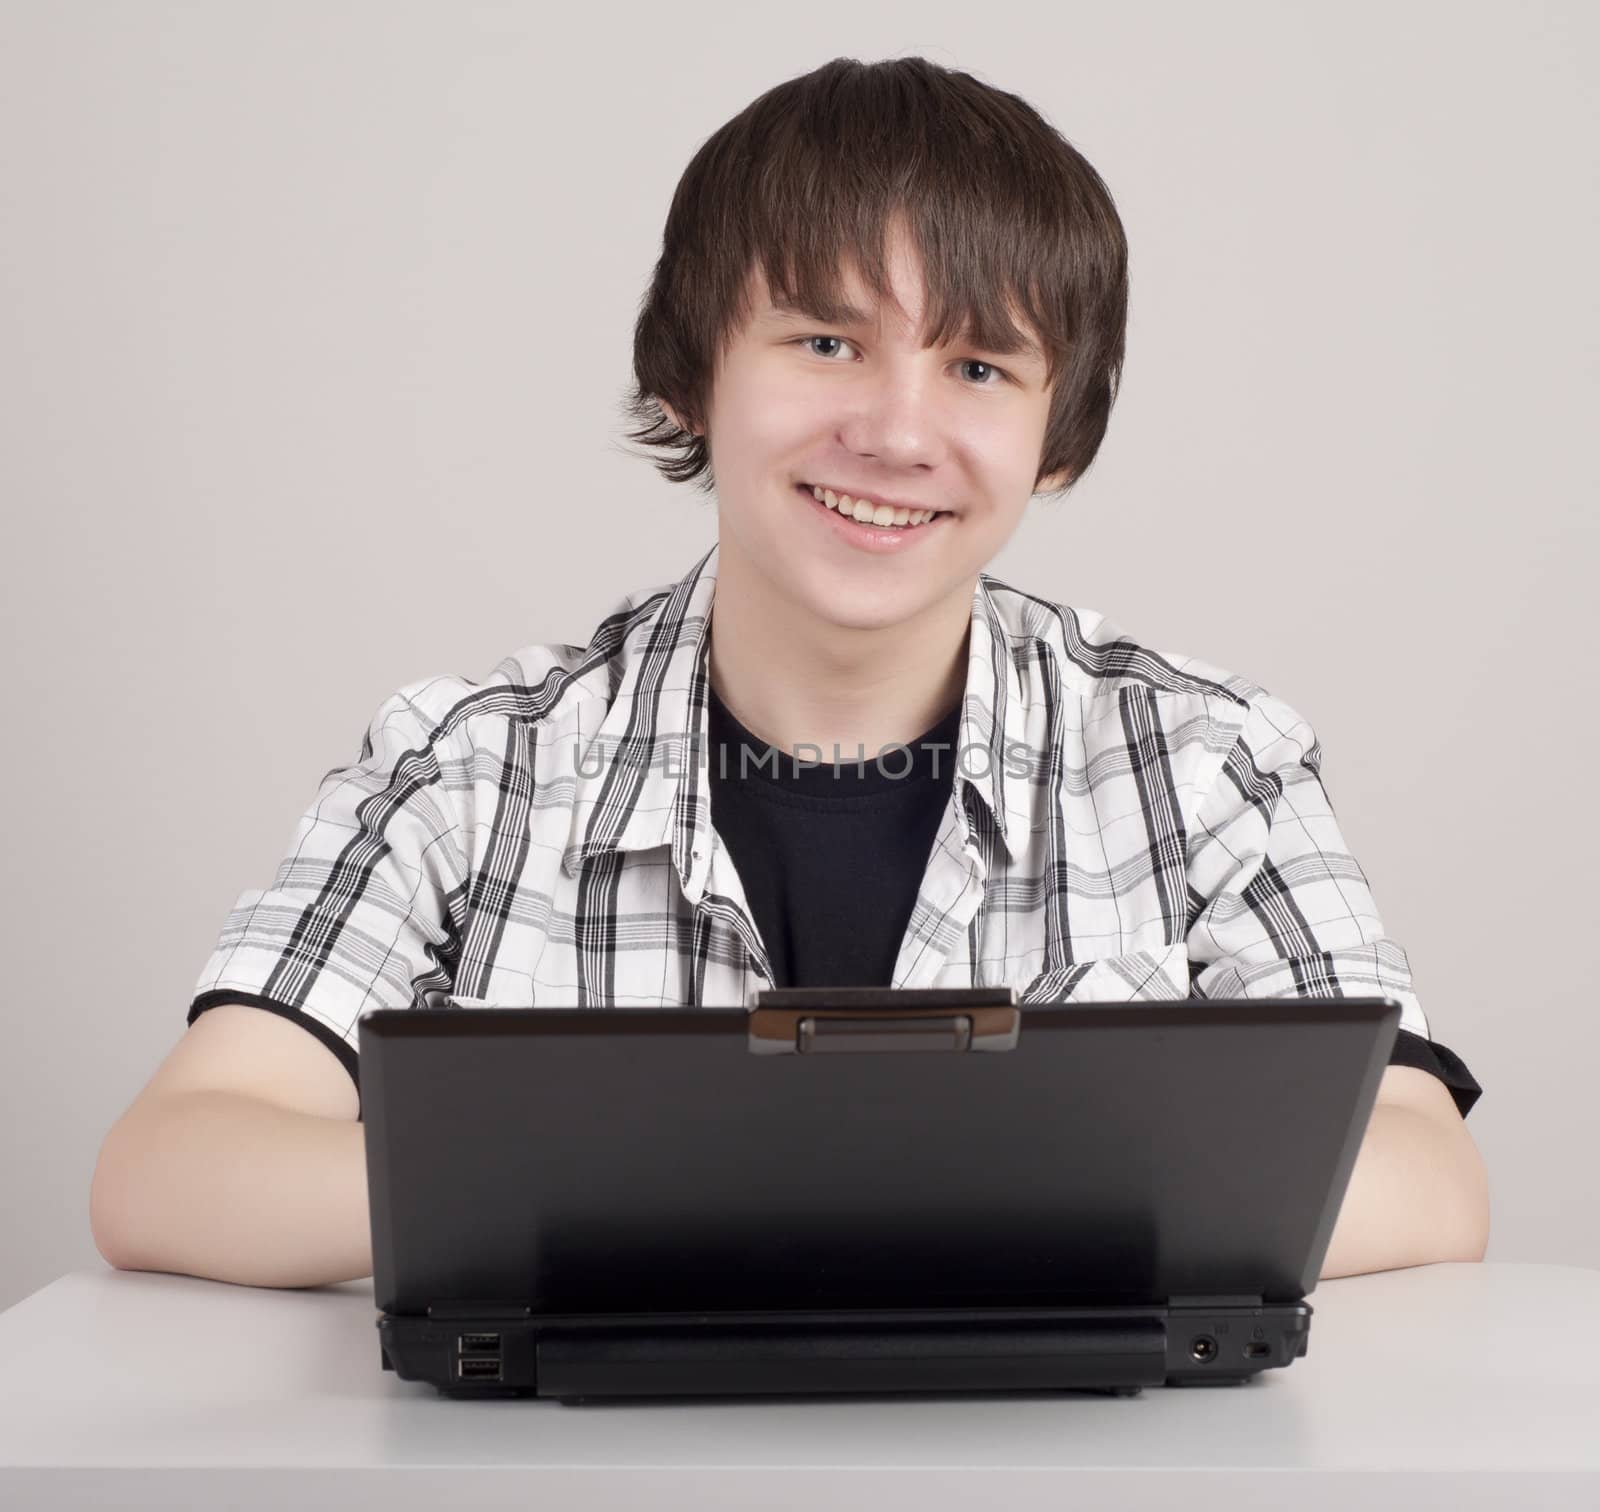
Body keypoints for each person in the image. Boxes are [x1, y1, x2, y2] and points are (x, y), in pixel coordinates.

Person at [90, 55, 1487, 1291]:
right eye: (827, 342)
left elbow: (1427, 1170)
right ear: (692, 376)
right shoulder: (475, 767)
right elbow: (171, 1168)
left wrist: (854, 1205)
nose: (896, 431)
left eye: (982, 368)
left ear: (1060, 434)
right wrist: (693, 1201)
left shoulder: (1203, 760)